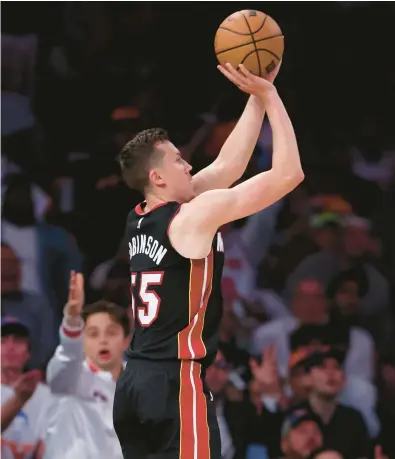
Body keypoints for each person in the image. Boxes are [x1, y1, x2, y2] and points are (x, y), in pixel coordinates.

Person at [113, 60, 304, 459]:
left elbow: (227, 167)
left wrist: (256, 94)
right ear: (158, 179)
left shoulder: (141, 216)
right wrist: (271, 97)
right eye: (179, 161)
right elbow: (289, 174)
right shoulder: (191, 217)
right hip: (174, 382)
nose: (189, 164)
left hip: (134, 383)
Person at [44, 271, 130, 459]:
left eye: (111, 332)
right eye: (92, 333)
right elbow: (66, 361)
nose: (103, 341)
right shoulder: (71, 378)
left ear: (126, 340)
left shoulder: (138, 384)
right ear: (81, 341)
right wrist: (73, 320)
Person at [1, 317, 52, 459]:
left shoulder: (45, 395)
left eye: (17, 340)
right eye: (3, 341)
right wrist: (19, 399)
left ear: (28, 354)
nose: (10, 347)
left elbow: (46, 448)